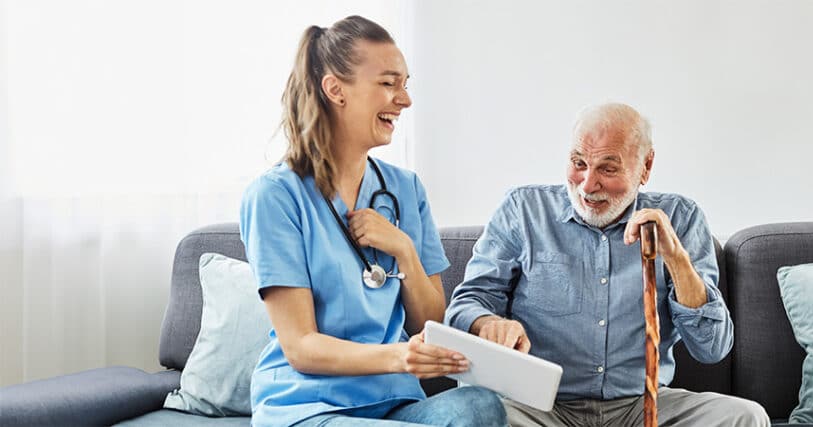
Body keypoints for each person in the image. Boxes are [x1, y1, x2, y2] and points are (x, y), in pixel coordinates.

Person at [240, 16, 507, 427]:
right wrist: (399, 356)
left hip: (393, 405)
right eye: (388, 83)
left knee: (480, 406)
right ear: (335, 90)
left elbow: (428, 323)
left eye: (405, 84)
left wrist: (404, 250)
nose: (405, 99)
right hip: (309, 407)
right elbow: (301, 347)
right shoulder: (276, 196)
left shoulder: (405, 189)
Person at [445, 103, 770, 426]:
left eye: (608, 169)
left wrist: (675, 258)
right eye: (579, 163)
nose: (587, 185)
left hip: (642, 407)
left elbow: (712, 348)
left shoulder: (681, 218)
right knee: (476, 415)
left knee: (745, 417)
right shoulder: (523, 210)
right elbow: (466, 304)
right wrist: (486, 322)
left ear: (646, 166)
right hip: (540, 408)